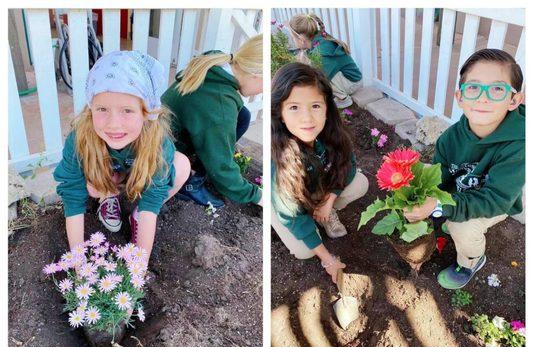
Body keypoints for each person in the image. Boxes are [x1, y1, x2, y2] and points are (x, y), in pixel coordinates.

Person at [403, 48, 525, 289]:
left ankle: (471, 261)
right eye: (473, 88)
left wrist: (439, 205)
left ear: (514, 100)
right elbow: (442, 174)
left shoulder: (519, 144)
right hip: (463, 193)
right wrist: (426, 199)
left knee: (463, 226)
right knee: (420, 174)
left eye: (498, 89)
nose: (483, 98)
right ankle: (450, 218)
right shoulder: (450, 138)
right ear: (460, 97)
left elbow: (496, 198)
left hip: (495, 199)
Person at [54, 50, 191, 258]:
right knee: (89, 184)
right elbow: (72, 196)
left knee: (181, 165)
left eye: (127, 110)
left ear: (146, 112)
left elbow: (153, 199)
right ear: (90, 108)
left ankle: (134, 215)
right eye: (102, 109)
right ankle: (108, 197)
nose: (113, 124)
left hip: (136, 175)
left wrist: (139, 266)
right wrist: (79, 262)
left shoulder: (156, 139)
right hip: (108, 176)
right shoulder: (81, 136)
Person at [271, 62, 369, 283]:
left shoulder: (329, 132)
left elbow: (348, 164)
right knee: (305, 251)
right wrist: (328, 259)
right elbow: (292, 216)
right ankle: (289, 217)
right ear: (280, 112)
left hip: (316, 190)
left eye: (315, 106)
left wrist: (329, 199)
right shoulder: (277, 160)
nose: (307, 118)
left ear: (326, 107)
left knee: (360, 183)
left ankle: (323, 214)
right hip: (286, 207)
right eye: (294, 107)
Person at [161, 34, 263, 208]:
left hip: (172, 132)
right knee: (220, 150)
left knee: (243, 115)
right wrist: (259, 196)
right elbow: (222, 168)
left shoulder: (217, 63)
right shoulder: (219, 106)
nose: (263, 92)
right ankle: (189, 183)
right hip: (161, 154)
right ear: (255, 74)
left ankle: (198, 167)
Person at [288, 13, 363, 108]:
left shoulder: (323, 52)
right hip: (345, 76)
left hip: (352, 82)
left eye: (293, 38)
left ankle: (343, 99)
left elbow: (320, 79)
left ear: (301, 39)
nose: (292, 40)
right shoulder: (318, 39)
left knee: (318, 78)